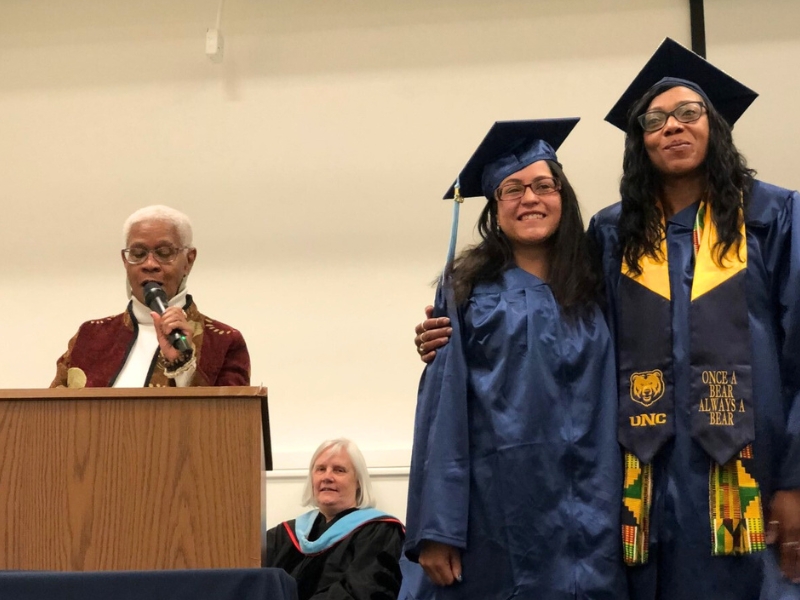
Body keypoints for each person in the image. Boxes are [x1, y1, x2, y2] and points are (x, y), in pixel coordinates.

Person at [415, 39, 800, 599]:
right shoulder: (616, 234)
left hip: (745, 477)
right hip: (637, 490)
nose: (673, 127)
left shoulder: (774, 217)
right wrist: (440, 337)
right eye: (655, 119)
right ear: (638, 141)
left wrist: (794, 477)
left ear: (715, 124)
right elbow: (554, 315)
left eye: (688, 113)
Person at [404, 119, 626, 599]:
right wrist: (437, 527)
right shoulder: (467, 291)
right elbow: (441, 412)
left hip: (595, 504)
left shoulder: (598, 282)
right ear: (494, 208)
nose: (531, 198)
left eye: (544, 185)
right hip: (500, 507)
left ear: (562, 197)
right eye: (513, 189)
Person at [51, 204, 250, 388]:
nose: (150, 264)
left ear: (188, 261)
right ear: (125, 261)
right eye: (138, 254)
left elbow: (230, 421)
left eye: (164, 253)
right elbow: (50, 416)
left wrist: (184, 367)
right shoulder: (90, 337)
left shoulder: (223, 342)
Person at [264, 438, 405, 600]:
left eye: (339, 470)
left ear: (358, 481)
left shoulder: (380, 532)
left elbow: (364, 591)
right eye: (320, 469)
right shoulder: (283, 535)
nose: (327, 477)